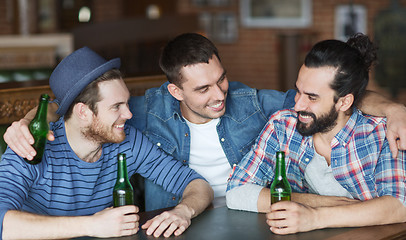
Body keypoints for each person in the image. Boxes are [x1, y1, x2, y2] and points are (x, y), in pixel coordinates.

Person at [3, 33, 406, 212]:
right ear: (175, 92)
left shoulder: (253, 103)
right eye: (202, 89)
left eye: (221, 79)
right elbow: (81, 110)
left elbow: (325, 104)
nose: (219, 95)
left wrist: (394, 109)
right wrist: (31, 119)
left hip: (249, 219)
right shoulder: (140, 113)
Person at [0, 47, 213, 239]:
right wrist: (91, 225)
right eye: (116, 106)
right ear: (83, 112)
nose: (129, 114)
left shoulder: (128, 143)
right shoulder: (30, 145)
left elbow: (197, 184)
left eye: (127, 103)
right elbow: (2, 224)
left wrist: (183, 212)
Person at [226, 33, 406, 234]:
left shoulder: (381, 134)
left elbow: (399, 206)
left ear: (344, 102)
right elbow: (236, 191)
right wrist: (316, 203)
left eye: (312, 97)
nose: (297, 104)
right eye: (298, 91)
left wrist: (314, 217)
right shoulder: (282, 126)